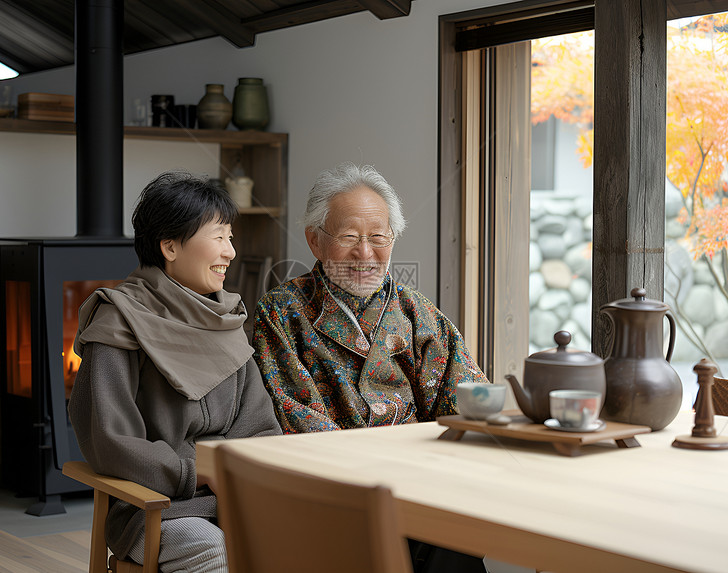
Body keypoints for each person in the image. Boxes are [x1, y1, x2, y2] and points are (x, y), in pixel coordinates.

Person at [252, 162, 489, 573]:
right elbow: (294, 417)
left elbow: (468, 398)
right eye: (348, 237)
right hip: (334, 493)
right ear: (315, 241)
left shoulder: (416, 312)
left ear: (393, 241)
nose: (365, 253)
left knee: (456, 530)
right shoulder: (282, 313)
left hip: (423, 485)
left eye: (378, 237)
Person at [68, 171, 282, 573]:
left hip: (234, 496)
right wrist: (197, 467)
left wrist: (229, 472)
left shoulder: (226, 321)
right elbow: (110, 441)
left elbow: (260, 430)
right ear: (169, 246)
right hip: (153, 508)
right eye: (218, 237)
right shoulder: (118, 323)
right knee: (212, 548)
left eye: (230, 238)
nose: (231, 252)